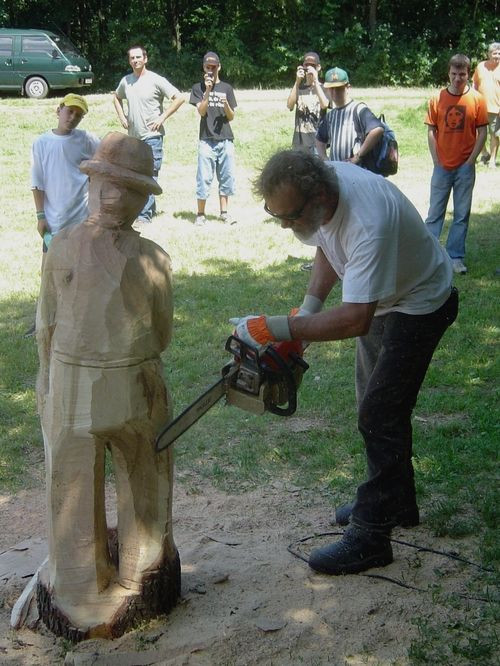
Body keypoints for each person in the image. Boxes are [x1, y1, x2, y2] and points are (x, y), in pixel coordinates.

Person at [231, 149, 458, 576]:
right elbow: (326, 246)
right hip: (387, 298)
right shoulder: (321, 192)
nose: (284, 225)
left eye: (290, 216)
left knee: (380, 413)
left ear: (317, 195)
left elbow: (356, 318)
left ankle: (372, 535)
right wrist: (306, 311)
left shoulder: (366, 219)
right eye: (275, 215)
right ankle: (396, 499)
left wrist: (278, 328)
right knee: (372, 405)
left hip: (422, 303)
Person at [36, 132, 178, 630]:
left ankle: (140, 573)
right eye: (105, 183)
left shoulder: (153, 258)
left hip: (132, 381)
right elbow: (47, 324)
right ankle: (76, 580)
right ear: (90, 182)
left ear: (142, 198)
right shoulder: (63, 249)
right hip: (74, 381)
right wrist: (47, 380)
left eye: (127, 187)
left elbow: (160, 333)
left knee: (145, 481)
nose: (114, 195)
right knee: (75, 483)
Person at [27, 93, 100, 336]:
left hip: (81, 219)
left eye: (78, 115)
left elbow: (105, 158)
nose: (73, 118)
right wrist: (40, 216)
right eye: (70, 112)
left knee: (80, 271)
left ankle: (77, 320)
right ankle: (44, 321)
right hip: (54, 221)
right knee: (49, 271)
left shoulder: (86, 139)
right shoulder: (42, 143)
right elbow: (37, 184)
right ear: (59, 110)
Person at [424, 53, 488, 275]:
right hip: (442, 166)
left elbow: (482, 132)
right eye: (454, 74)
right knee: (435, 213)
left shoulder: (477, 99)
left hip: (465, 167)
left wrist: (471, 160)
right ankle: (428, 257)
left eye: (462, 74)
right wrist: (435, 159)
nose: (458, 78)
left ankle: (455, 257)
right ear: (448, 73)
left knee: (461, 214)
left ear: (468, 73)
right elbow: (431, 130)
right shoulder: (437, 99)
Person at [113, 45, 184, 223]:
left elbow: (179, 98)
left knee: (150, 175)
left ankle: (144, 216)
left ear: (145, 59)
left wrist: (162, 118)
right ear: (129, 61)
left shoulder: (156, 80)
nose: (135, 60)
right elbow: (116, 97)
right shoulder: (126, 81)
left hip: (152, 136)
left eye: (138, 57)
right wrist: (122, 117)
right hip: (133, 138)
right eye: (132, 58)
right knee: (135, 176)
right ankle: (143, 210)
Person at [189, 51, 237, 226]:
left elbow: (231, 117)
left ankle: (224, 213)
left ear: (219, 67)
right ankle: (200, 214)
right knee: (204, 178)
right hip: (206, 140)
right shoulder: (197, 88)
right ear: (203, 67)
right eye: (208, 67)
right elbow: (201, 111)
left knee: (226, 177)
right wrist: (207, 91)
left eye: (214, 67)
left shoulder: (227, 88)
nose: (211, 70)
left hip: (225, 139)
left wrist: (225, 105)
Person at [315, 67, 384, 168]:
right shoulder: (331, 115)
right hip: (337, 172)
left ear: (347, 88)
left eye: (338, 88)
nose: (334, 93)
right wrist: (325, 160)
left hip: (358, 171)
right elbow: (319, 139)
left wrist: (358, 156)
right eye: (331, 89)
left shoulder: (359, 109)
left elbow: (377, 129)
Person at [287, 51, 329, 153]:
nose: (309, 68)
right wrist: (297, 82)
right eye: (307, 65)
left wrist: (315, 81)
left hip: (318, 141)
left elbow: (325, 105)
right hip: (299, 141)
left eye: (312, 65)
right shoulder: (298, 88)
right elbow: (290, 106)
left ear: (318, 67)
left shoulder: (324, 88)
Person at [473, 42, 500, 168]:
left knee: (494, 134)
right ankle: (484, 154)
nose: (497, 56)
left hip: (496, 108)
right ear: (489, 54)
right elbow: (475, 85)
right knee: (478, 133)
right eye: (495, 53)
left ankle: (493, 159)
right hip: (479, 107)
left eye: (499, 54)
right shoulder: (480, 66)